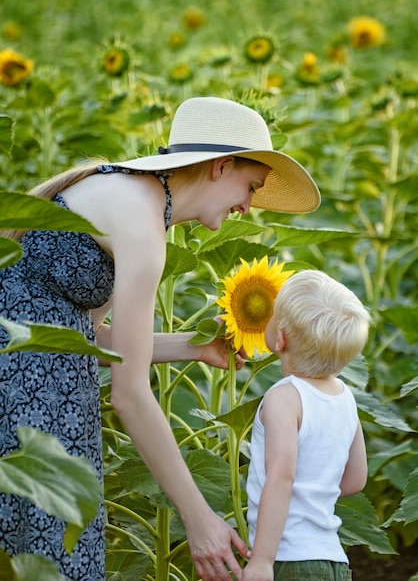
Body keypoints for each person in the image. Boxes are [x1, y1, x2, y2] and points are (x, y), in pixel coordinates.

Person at [0, 96, 320, 581]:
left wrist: (192, 346)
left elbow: (85, 336)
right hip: (31, 400)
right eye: (250, 186)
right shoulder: (142, 222)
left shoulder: (132, 198)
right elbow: (130, 396)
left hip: (37, 382)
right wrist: (199, 519)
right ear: (221, 165)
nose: (248, 206)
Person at [243, 269, 371, 581]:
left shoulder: (285, 398)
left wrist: (261, 560)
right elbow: (355, 480)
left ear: (281, 336)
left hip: (287, 559)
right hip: (333, 560)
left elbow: (280, 477)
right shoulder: (346, 399)